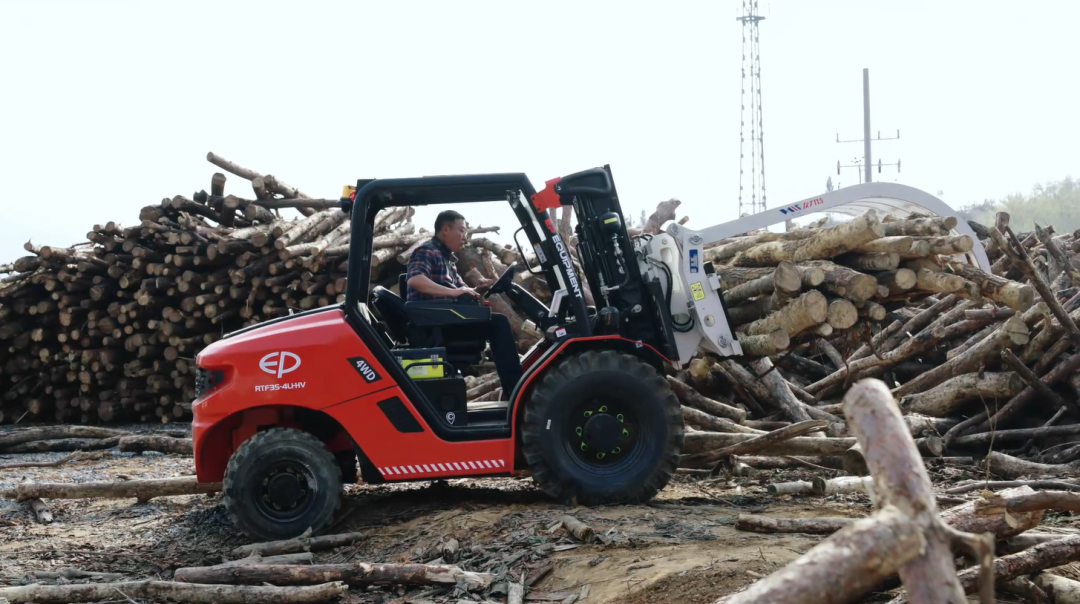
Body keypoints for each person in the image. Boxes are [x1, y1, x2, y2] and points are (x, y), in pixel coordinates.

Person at [406, 210, 524, 391]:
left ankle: (514, 387)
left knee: (495, 321)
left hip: (449, 319)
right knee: (498, 323)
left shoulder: (448, 261)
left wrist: (478, 290)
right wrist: (454, 292)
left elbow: (463, 292)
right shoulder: (427, 251)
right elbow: (415, 280)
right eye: (461, 230)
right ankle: (515, 389)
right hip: (436, 326)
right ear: (445, 229)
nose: (464, 236)